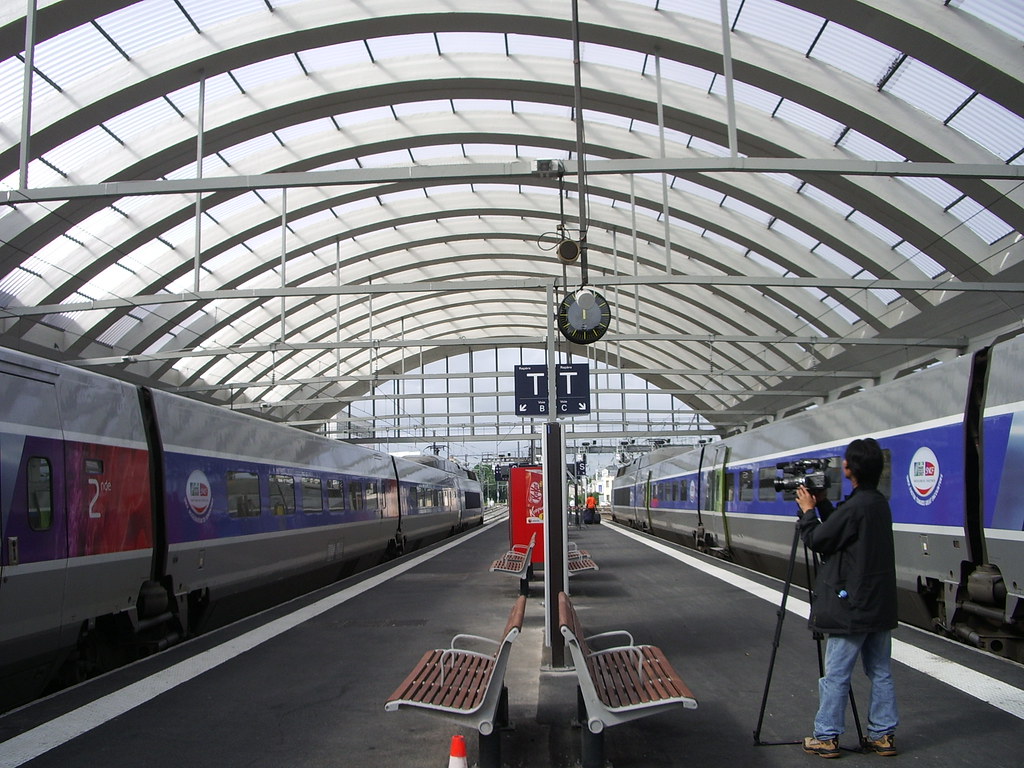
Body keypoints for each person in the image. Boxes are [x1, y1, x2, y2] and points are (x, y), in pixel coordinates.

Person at [796, 437, 899, 758]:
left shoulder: (856, 507)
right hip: (879, 605)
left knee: (836, 675)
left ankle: (826, 736)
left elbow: (818, 539)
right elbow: (845, 530)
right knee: (880, 671)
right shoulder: (878, 503)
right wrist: (825, 505)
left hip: (851, 606)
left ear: (849, 469)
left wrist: (808, 511)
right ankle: (882, 735)